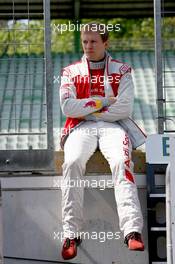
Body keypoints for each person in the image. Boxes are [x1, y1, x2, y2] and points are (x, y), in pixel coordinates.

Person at [59, 21, 146, 260]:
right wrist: (103, 101)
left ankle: (131, 230)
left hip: (114, 126)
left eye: (93, 41)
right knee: (72, 162)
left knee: (120, 161)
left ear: (105, 42)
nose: (88, 46)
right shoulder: (69, 72)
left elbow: (124, 108)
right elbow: (68, 107)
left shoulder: (123, 70)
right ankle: (70, 234)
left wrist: (87, 109)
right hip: (80, 126)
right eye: (84, 42)